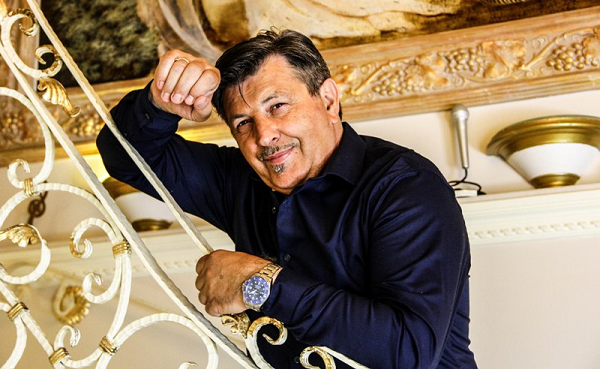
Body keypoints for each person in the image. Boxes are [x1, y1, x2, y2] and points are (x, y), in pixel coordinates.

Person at [96, 29, 477, 368]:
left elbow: (409, 351)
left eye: (277, 106)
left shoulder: (406, 185)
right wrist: (161, 103)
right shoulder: (239, 180)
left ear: (328, 100)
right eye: (243, 123)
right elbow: (123, 156)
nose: (264, 135)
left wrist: (260, 281)